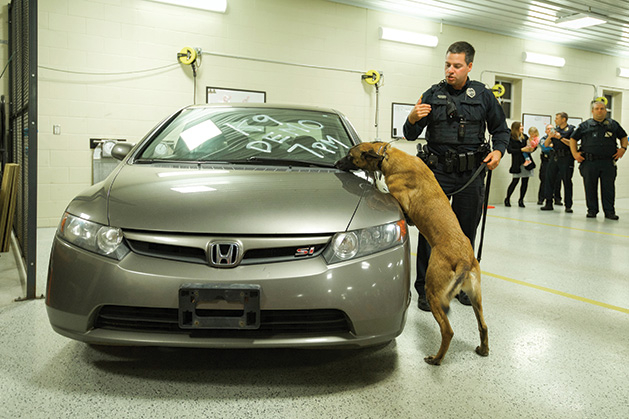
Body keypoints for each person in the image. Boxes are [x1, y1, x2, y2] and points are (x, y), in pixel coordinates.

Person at [403, 41, 509, 311]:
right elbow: (410, 134)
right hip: (437, 174)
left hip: (471, 175)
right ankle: (427, 290)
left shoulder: (483, 96)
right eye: (447, 65)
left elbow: (501, 130)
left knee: (465, 235)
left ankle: (461, 286)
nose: (451, 70)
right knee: (431, 234)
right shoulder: (433, 94)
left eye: (457, 65)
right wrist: (413, 118)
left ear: (469, 66)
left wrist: (498, 152)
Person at [570, 100, 628, 220]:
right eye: (597, 109)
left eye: (602, 109)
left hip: (608, 162)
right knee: (590, 187)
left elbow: (623, 136)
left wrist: (623, 148)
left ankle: (609, 211)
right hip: (589, 162)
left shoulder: (613, 124)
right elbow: (573, 139)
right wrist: (575, 153)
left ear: (606, 111)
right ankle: (592, 210)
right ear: (592, 111)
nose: (599, 111)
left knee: (608, 188)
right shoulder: (585, 125)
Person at [541, 112, 575, 212]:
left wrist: (560, 137)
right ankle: (548, 203)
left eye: (557, 118)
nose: (555, 120)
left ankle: (568, 205)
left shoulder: (571, 130)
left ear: (563, 119)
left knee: (566, 180)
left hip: (566, 157)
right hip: (554, 156)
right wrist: (550, 136)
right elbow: (546, 144)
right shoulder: (555, 130)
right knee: (549, 179)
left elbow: (572, 144)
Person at [504, 122, 536, 207]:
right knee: (515, 181)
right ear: (516, 128)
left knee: (525, 182)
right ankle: (507, 198)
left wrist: (532, 148)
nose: (522, 127)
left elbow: (530, 147)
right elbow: (510, 150)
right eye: (520, 126)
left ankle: (521, 200)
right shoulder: (511, 138)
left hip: (527, 162)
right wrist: (521, 150)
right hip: (517, 163)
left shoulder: (525, 137)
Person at [537, 124, 562, 205]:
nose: (549, 130)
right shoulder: (543, 139)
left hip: (556, 160)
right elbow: (545, 148)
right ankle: (541, 199)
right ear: (545, 131)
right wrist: (551, 146)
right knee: (544, 180)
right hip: (546, 161)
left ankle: (557, 199)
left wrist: (552, 145)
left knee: (558, 180)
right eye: (548, 129)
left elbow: (558, 148)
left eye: (551, 129)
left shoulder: (557, 139)